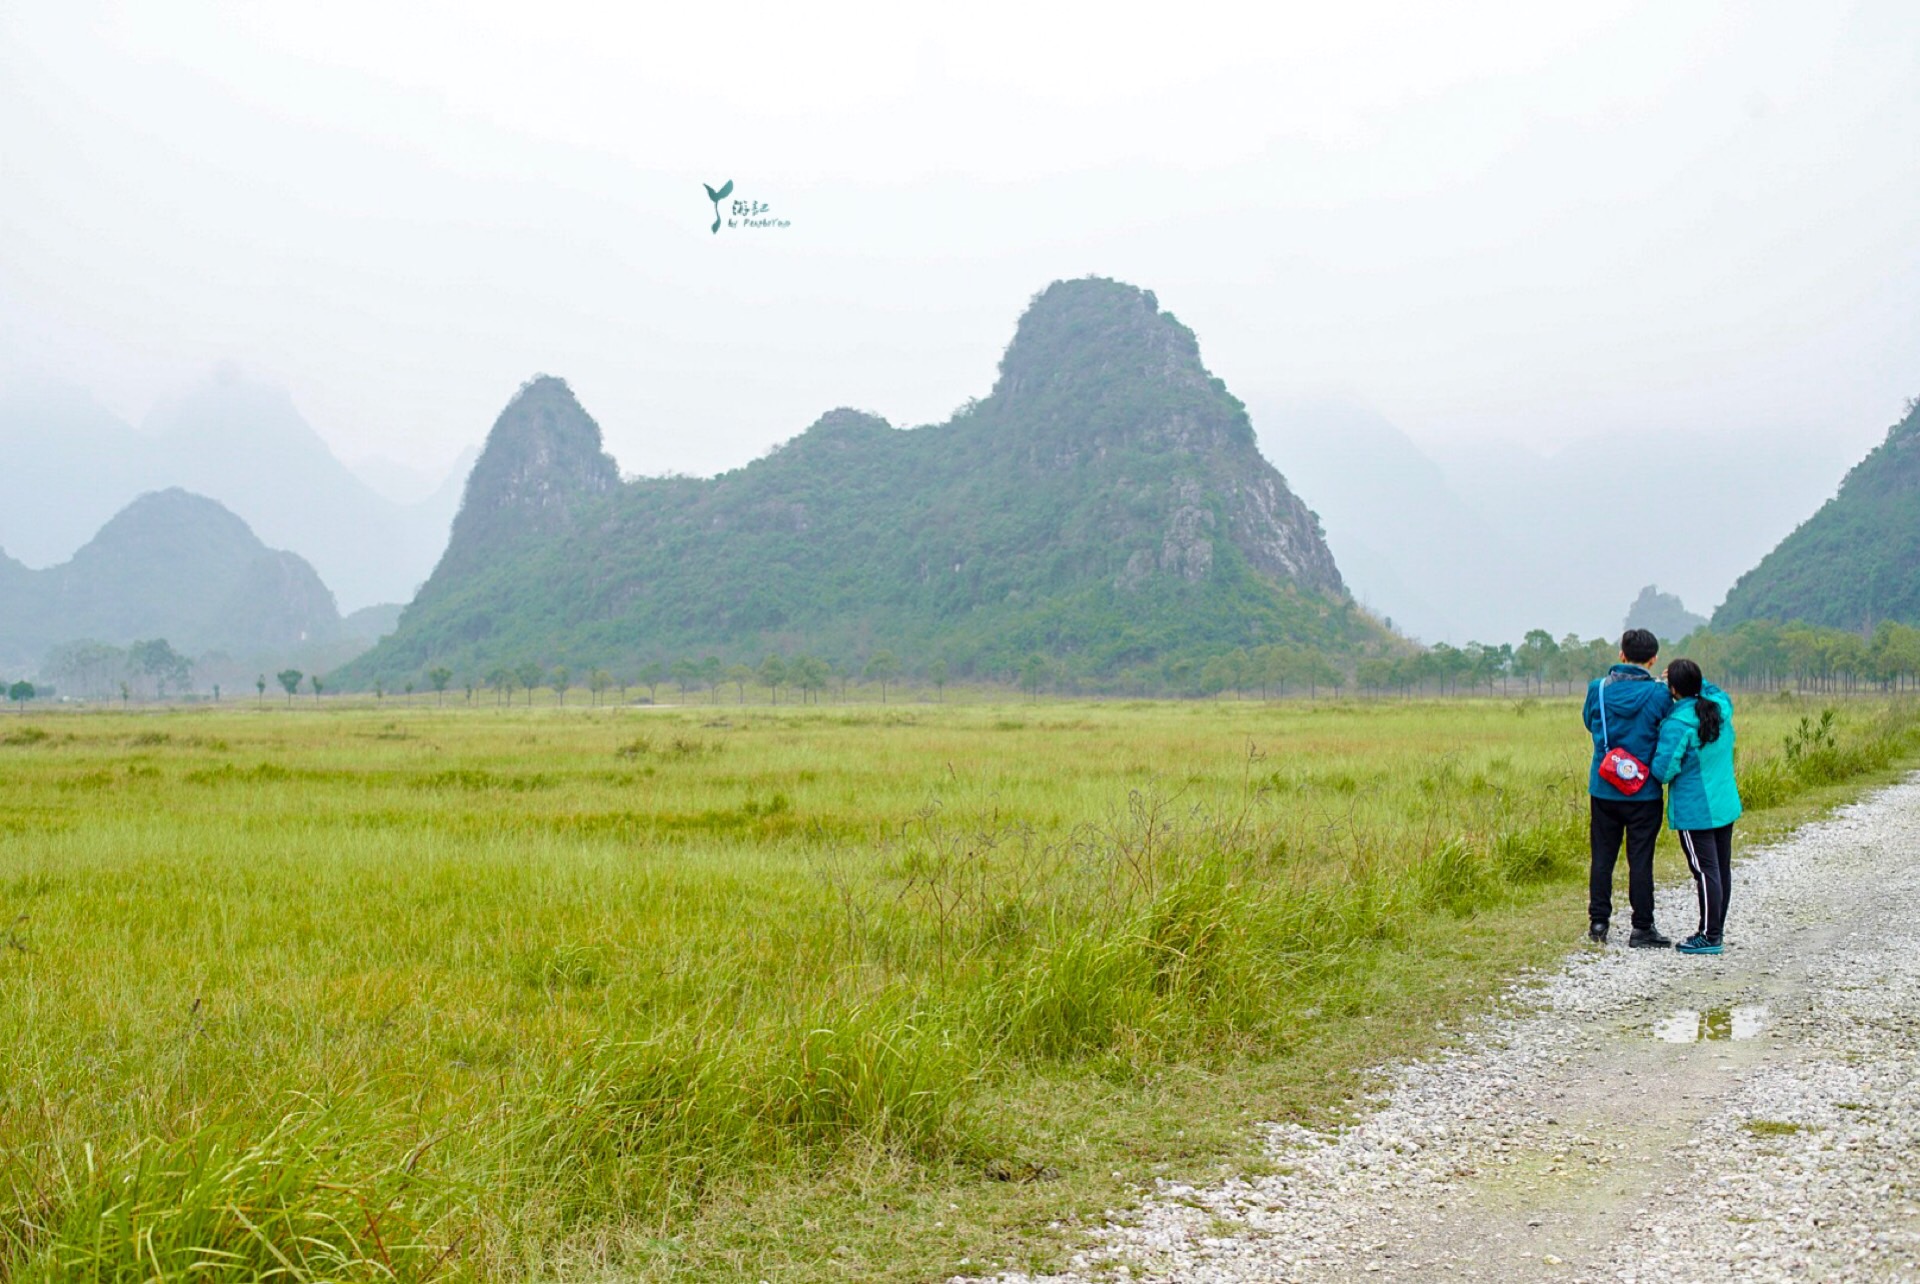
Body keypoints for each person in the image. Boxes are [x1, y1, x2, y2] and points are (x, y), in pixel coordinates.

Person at [1582, 628, 1674, 947]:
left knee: (1603, 856)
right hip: (1644, 791)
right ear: (1653, 659)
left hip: (1604, 787)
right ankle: (1642, 927)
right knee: (1641, 859)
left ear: (1621, 654)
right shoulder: (1661, 694)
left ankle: (1598, 923)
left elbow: (1588, 722)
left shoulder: (1598, 689)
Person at [1652, 658, 1742, 955]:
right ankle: (1716, 928)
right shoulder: (1720, 709)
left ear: (1673, 689)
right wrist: (1698, 682)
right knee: (1720, 869)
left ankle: (1709, 935)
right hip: (1724, 803)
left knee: (1705, 871)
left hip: (1695, 810)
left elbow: (1663, 771)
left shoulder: (1678, 724)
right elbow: (1719, 693)